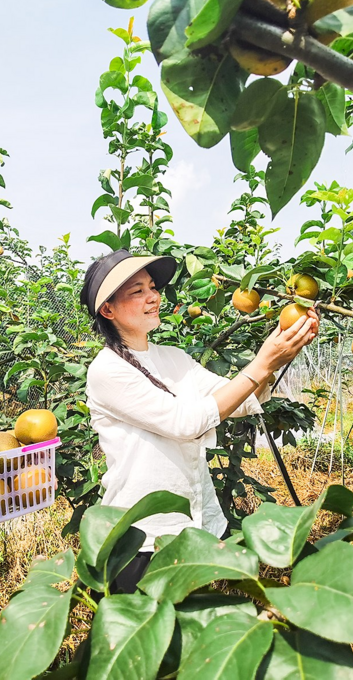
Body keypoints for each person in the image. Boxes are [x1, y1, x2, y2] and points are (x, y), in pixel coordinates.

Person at [80, 249, 318, 593]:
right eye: (137, 291)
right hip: (143, 536)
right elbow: (186, 422)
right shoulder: (107, 369)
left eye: (152, 287)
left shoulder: (173, 358)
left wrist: (280, 348)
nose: (153, 297)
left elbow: (238, 399)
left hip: (197, 520)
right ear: (108, 310)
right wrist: (265, 362)